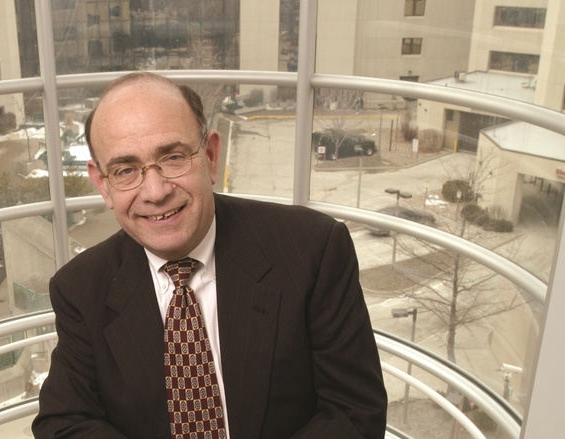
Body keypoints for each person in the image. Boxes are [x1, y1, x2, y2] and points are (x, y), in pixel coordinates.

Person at [32, 72, 387, 438]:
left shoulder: (313, 249)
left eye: (172, 157)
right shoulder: (80, 288)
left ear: (212, 156)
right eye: (125, 170)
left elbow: (355, 411)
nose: (155, 192)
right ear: (103, 185)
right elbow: (64, 423)